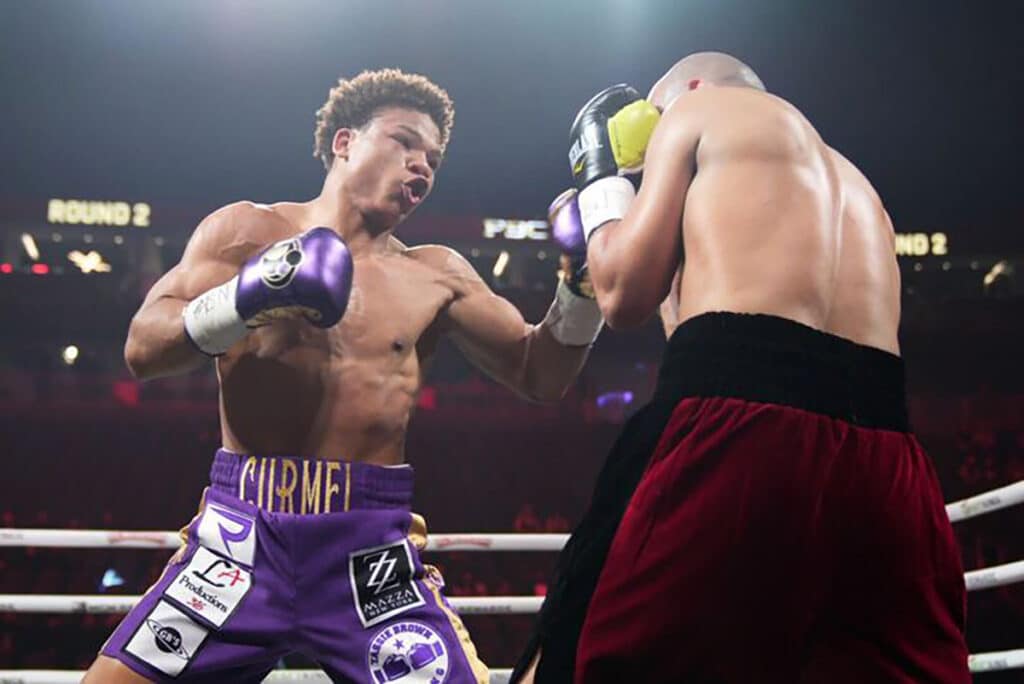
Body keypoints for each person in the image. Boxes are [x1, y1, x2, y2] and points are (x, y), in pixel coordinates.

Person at [85, 67, 604, 683]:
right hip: (241, 542)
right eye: (404, 142)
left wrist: (581, 287)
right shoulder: (246, 232)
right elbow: (143, 348)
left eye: (432, 160)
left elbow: (540, 373)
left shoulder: (437, 275)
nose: (421, 167)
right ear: (344, 141)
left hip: (370, 555)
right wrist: (245, 300)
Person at [514, 52, 969, 683]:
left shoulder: (696, 109)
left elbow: (621, 295)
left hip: (740, 431)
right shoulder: (855, 183)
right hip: (888, 460)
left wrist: (601, 185)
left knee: (584, 651)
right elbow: (688, 321)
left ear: (689, 89)